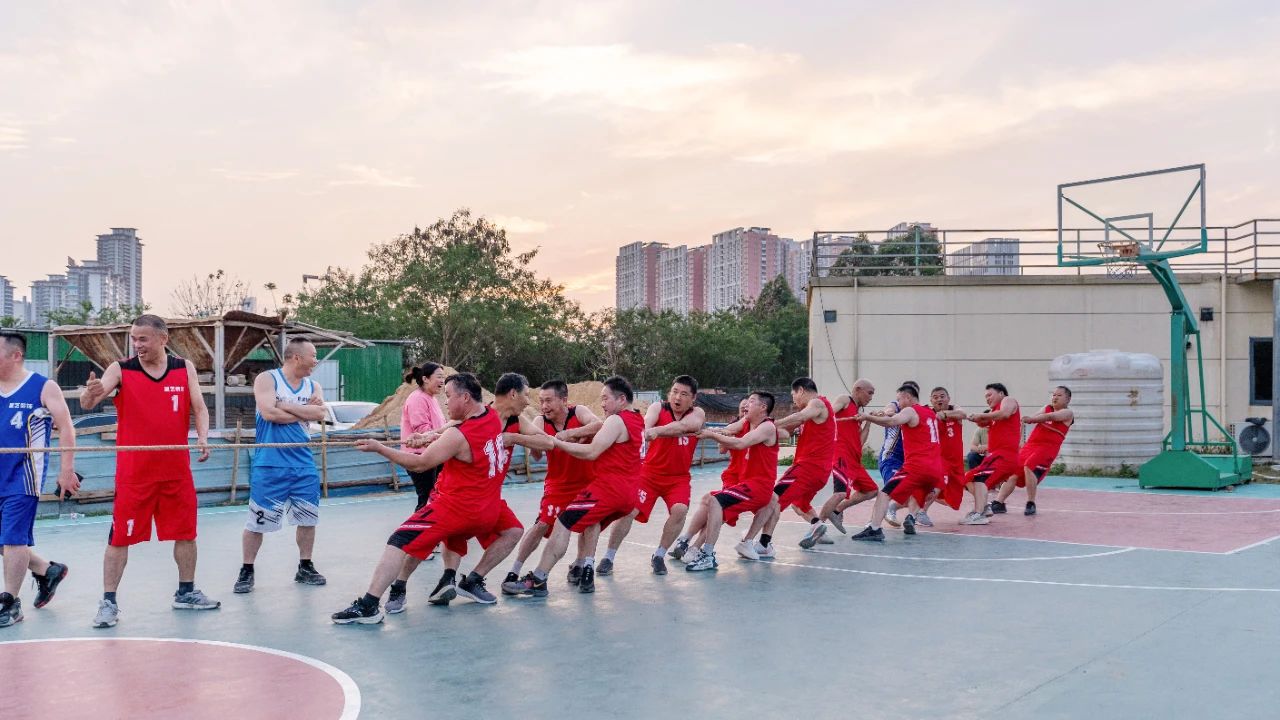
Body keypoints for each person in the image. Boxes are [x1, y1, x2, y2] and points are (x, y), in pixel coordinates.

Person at [332, 372, 539, 623]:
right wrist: (429, 436)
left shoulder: (461, 434)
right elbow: (454, 431)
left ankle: (370, 605)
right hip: (486, 508)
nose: (446, 402)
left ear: (465, 397)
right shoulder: (492, 417)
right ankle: (462, 579)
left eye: (448, 396)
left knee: (401, 540)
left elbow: (420, 464)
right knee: (508, 531)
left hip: (456, 507)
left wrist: (380, 448)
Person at [80, 315, 219, 628]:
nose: (137, 344)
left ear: (163, 339)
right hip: (135, 474)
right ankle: (108, 602)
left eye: (143, 338)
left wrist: (203, 437)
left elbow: (199, 408)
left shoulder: (184, 368)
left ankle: (186, 592)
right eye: (134, 338)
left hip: (176, 470)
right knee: (119, 538)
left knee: (186, 533)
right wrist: (90, 391)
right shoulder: (121, 369)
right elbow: (89, 403)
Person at [502, 376, 643, 598]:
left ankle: (539, 578)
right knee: (556, 524)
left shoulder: (610, 419)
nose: (602, 404)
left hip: (606, 488)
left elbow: (592, 450)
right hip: (622, 491)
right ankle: (579, 568)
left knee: (564, 522)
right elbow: (537, 454)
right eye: (541, 401)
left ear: (622, 399)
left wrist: (560, 440)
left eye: (605, 398)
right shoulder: (637, 419)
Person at [234, 339, 328, 595]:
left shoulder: (313, 385)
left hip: (302, 463)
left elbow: (320, 414)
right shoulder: (267, 379)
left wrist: (284, 405)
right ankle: (247, 569)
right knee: (257, 521)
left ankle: (305, 566)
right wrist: (304, 410)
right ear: (297, 357)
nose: (316, 360)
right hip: (270, 463)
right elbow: (269, 414)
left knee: (308, 518)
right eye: (313, 355)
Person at [0, 331, 78, 628]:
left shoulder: (42, 387)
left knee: (13, 538)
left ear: (15, 355)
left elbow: (66, 427)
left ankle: (10, 603)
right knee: (5, 540)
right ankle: (47, 570)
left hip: (23, 476)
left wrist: (66, 470)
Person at [600, 375, 705, 576]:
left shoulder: (697, 413)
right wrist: (647, 430)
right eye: (675, 392)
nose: (677, 397)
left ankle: (659, 555)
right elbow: (646, 426)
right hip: (649, 474)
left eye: (684, 394)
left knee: (680, 510)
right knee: (628, 511)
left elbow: (686, 426)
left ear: (693, 398)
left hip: (678, 478)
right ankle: (609, 557)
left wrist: (657, 431)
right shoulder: (658, 408)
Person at [503, 380, 602, 591]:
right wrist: (534, 445)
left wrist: (570, 434)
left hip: (587, 482)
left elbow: (598, 424)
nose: (544, 406)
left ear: (564, 400)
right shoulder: (540, 421)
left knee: (591, 523)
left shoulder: (578, 412)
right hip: (558, 485)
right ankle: (514, 569)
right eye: (541, 401)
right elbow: (537, 455)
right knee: (542, 525)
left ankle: (585, 566)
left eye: (548, 401)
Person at [676, 391, 785, 569]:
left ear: (763, 407)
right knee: (710, 500)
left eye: (751, 401)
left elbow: (740, 443)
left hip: (758, 487)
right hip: (746, 483)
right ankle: (692, 543)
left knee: (717, 502)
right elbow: (728, 430)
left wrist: (710, 435)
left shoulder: (767, 427)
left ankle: (707, 552)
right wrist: (703, 430)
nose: (746, 405)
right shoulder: (746, 422)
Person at [383, 362, 448, 607]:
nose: (442, 381)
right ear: (425, 379)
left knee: (435, 497)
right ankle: (417, 541)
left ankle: (427, 539)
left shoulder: (431, 399)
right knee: (426, 499)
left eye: (443, 377)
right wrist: (447, 439)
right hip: (420, 456)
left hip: (434, 454)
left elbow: (439, 429)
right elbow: (423, 431)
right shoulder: (417, 399)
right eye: (438, 377)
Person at [851, 384, 944, 541]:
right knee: (919, 492)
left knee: (884, 493)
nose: (898, 403)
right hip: (935, 469)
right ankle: (911, 516)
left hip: (916, 467)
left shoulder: (910, 410)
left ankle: (874, 529)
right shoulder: (930, 413)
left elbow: (892, 421)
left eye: (899, 400)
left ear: (907, 397)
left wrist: (867, 417)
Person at [760, 377, 837, 553]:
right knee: (799, 503)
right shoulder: (815, 414)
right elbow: (789, 429)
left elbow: (799, 416)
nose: (793, 399)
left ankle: (764, 544)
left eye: (793, 395)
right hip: (820, 472)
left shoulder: (817, 403)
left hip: (807, 469)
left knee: (773, 499)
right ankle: (817, 526)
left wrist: (769, 423)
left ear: (801, 390)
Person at [993, 386, 1073, 516]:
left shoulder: (1068, 413)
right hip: (1031, 445)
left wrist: (1032, 419)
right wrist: (1024, 423)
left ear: (1068, 399)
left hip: (1048, 448)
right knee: (1013, 471)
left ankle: (1031, 503)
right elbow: (1031, 418)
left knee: (1029, 465)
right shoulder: (1046, 407)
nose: (1055, 397)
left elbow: (1051, 416)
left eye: (1059, 395)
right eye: (1054, 395)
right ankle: (999, 503)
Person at [814, 379, 877, 535]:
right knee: (840, 493)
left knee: (871, 490)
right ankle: (815, 529)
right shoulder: (845, 400)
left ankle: (837, 510)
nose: (871, 398)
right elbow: (829, 414)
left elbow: (859, 442)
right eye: (869, 393)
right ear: (858, 389)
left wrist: (868, 421)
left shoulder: (858, 413)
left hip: (855, 460)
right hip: (841, 455)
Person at [962, 383, 1021, 525]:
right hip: (994, 457)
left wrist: (981, 415)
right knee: (967, 478)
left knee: (980, 478)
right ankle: (984, 506)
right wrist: (973, 418)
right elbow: (983, 422)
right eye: (985, 397)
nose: (987, 398)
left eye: (990, 395)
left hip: (1004, 456)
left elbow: (1004, 413)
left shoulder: (1008, 400)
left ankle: (978, 513)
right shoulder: (993, 412)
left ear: (1001, 393)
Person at [928, 386, 968, 523]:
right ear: (931, 401)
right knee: (939, 482)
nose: (939, 399)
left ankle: (920, 500)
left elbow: (963, 414)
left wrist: (944, 414)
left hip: (956, 463)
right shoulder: (929, 414)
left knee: (953, 502)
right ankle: (920, 512)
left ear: (948, 398)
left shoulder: (955, 411)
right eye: (935, 397)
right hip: (938, 459)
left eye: (942, 396)